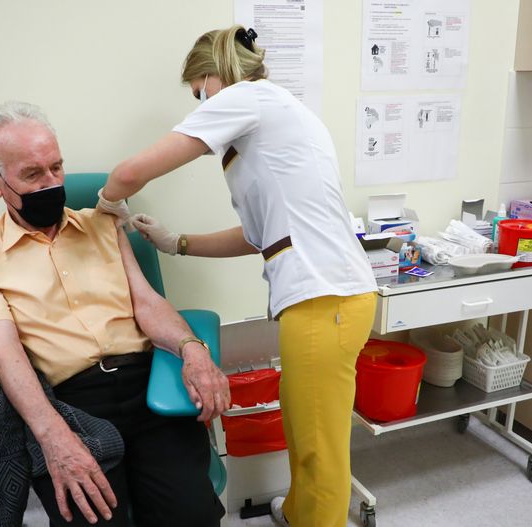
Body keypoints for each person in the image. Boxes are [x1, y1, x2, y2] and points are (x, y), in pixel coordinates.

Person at [96, 26, 378, 527]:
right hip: (330, 298)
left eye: (197, 92)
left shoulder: (247, 98)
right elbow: (257, 236)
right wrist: (176, 242)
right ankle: (297, 512)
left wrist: (108, 200)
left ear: (211, 77)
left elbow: (131, 172)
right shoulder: (273, 119)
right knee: (305, 425)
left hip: (325, 300)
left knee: (320, 447)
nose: (198, 103)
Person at [0, 101, 230, 527]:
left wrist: (192, 348)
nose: (51, 182)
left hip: (145, 385)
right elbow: (4, 354)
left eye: (56, 168)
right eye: (32, 174)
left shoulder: (101, 224)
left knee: (191, 516)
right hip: (69, 406)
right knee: (94, 518)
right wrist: (52, 437)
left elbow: (147, 303)